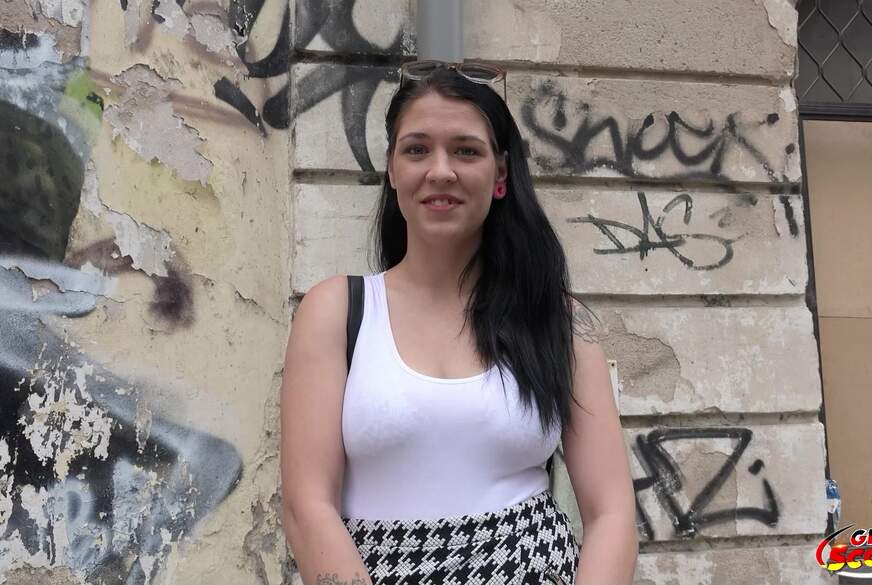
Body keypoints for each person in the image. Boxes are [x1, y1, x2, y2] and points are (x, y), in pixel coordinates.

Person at [280, 61, 638, 585]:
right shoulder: (337, 310)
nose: (441, 171)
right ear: (392, 170)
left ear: (500, 174)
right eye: (417, 149)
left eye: (466, 151)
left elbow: (612, 514)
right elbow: (307, 507)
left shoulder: (558, 320)